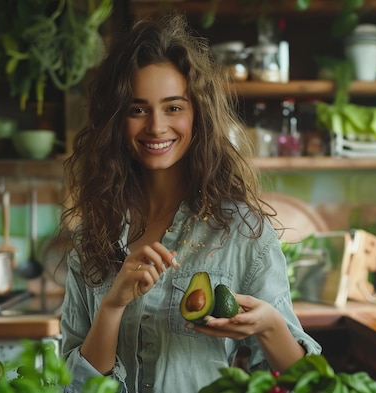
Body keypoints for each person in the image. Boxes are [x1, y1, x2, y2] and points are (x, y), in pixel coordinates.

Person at [59, 12, 322, 393]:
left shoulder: (241, 232)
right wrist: (112, 307)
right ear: (116, 121)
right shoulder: (92, 236)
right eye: (137, 109)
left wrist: (271, 326)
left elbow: (307, 385)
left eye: (174, 107)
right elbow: (72, 386)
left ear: (198, 115)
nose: (156, 126)